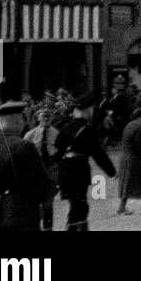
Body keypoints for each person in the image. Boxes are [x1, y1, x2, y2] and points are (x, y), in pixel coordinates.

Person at [0, 101, 52, 231]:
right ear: (18, 121)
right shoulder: (25, 146)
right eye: (23, 120)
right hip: (19, 214)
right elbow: (41, 184)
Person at [55, 93, 117, 231]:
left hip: (64, 170)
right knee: (80, 207)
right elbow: (98, 154)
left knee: (76, 205)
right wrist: (111, 172)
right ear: (88, 110)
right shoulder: (88, 130)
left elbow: (56, 147)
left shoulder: (65, 127)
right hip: (79, 171)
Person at [24, 108, 61, 230]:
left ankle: (48, 228)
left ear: (52, 118)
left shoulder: (57, 134)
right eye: (43, 117)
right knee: (35, 202)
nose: (45, 119)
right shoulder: (30, 135)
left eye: (48, 117)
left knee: (48, 202)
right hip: (36, 171)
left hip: (51, 170)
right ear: (37, 118)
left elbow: (62, 153)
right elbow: (23, 155)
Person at [116, 109, 141, 215]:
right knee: (137, 181)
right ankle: (122, 207)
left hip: (125, 157)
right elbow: (139, 147)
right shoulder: (138, 128)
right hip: (133, 159)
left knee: (132, 181)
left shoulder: (129, 126)